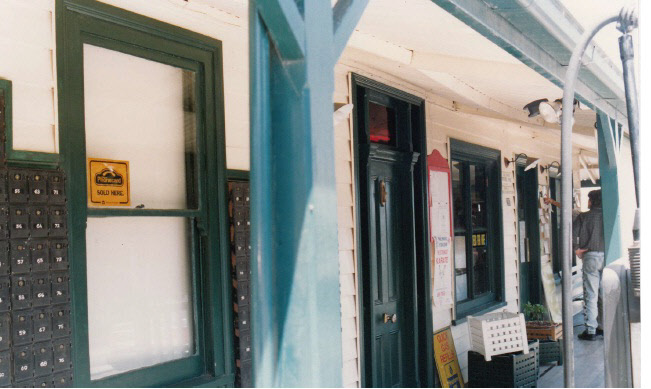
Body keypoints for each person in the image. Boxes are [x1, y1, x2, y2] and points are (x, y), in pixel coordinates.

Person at [573, 190, 605, 341]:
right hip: (607, 256)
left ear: (592, 201)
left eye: (589, 199)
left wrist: (576, 249)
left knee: (591, 293)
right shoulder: (607, 215)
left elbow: (571, 234)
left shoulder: (583, 217)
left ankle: (591, 329)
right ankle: (603, 326)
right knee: (603, 293)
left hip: (590, 256)